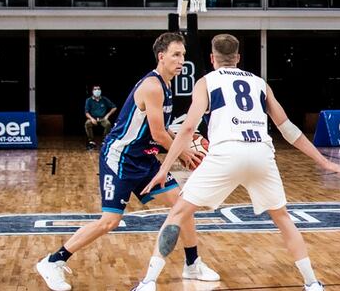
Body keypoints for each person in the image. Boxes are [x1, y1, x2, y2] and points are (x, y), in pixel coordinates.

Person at [136, 34, 340, 291]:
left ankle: (148, 282)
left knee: (178, 213)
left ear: (212, 58)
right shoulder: (260, 83)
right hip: (261, 153)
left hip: (226, 154)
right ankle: (312, 283)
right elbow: (289, 130)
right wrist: (324, 161)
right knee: (283, 218)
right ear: (238, 58)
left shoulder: (206, 82)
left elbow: (187, 130)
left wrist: (164, 169)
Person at [36, 32, 219, 291]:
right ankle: (53, 261)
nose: (181, 60)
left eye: (183, 56)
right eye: (176, 55)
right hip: (119, 159)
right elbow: (157, 134)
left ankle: (192, 263)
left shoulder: (166, 87)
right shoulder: (153, 86)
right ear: (161, 56)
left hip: (145, 158)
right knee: (109, 222)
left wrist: (182, 142)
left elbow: (161, 131)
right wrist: (185, 153)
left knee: (182, 206)